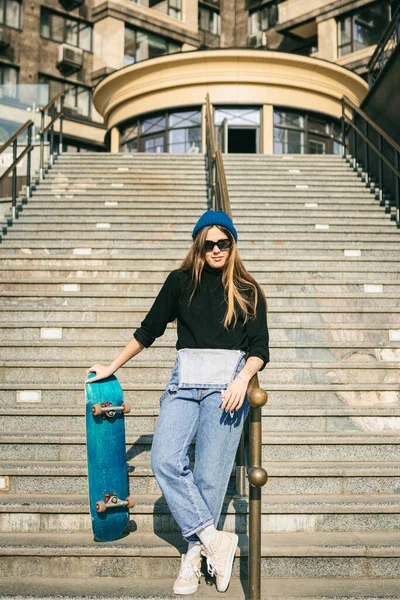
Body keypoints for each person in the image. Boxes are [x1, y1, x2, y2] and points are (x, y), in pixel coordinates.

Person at [85, 209, 270, 595]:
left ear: (232, 244)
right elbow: (149, 329)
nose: (217, 249)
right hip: (184, 384)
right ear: (198, 245)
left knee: (209, 478)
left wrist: (241, 379)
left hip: (226, 389)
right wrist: (111, 365)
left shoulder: (248, 289)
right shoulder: (179, 282)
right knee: (164, 458)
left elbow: (259, 349)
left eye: (224, 242)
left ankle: (192, 554)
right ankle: (213, 538)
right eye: (209, 243)